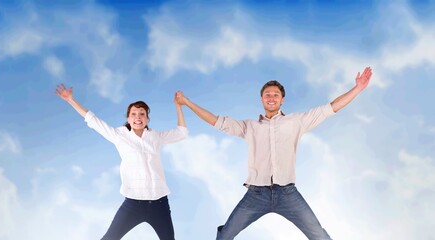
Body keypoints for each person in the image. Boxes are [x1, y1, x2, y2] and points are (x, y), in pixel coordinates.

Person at [175, 67, 373, 240]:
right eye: (267, 94)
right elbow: (216, 121)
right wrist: (187, 102)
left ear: (282, 100)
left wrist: (358, 88)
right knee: (226, 234)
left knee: (319, 235)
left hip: (288, 194)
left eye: (275, 95)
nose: (271, 98)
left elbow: (330, 108)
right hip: (256, 195)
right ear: (261, 99)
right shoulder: (249, 126)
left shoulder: (297, 122)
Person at [56, 84, 188, 240]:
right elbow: (92, 120)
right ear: (128, 118)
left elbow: (182, 133)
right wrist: (71, 100)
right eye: (133, 114)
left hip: (160, 204)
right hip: (133, 205)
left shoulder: (155, 136)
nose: (137, 117)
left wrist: (178, 106)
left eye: (142, 114)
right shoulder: (119, 135)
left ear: (147, 119)